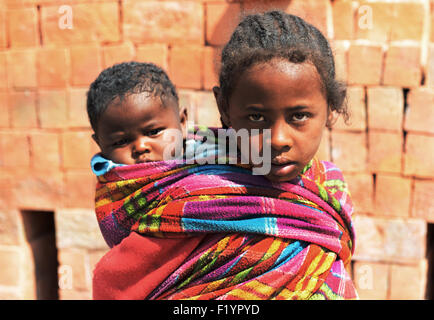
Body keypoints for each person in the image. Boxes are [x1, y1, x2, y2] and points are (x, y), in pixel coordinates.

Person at [91, 11, 357, 300]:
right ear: (224, 107)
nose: (278, 140)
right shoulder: (191, 186)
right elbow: (117, 283)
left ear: (330, 109)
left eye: (299, 116)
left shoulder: (328, 188)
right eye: (256, 117)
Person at [86, 61, 187, 175]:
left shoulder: (208, 163)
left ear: (182, 122)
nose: (140, 147)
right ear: (100, 144)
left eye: (154, 132)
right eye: (121, 142)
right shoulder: (112, 188)